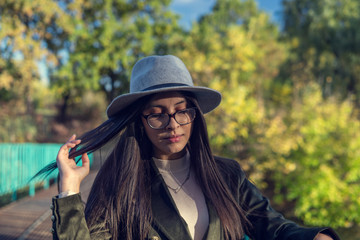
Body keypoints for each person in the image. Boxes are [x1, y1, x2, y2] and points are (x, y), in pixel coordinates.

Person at [47, 55, 340, 240]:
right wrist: (69, 190)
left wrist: (316, 238)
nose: (173, 124)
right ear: (140, 121)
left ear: (194, 114)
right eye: (158, 113)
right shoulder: (120, 182)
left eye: (182, 110)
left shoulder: (227, 175)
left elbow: (271, 226)